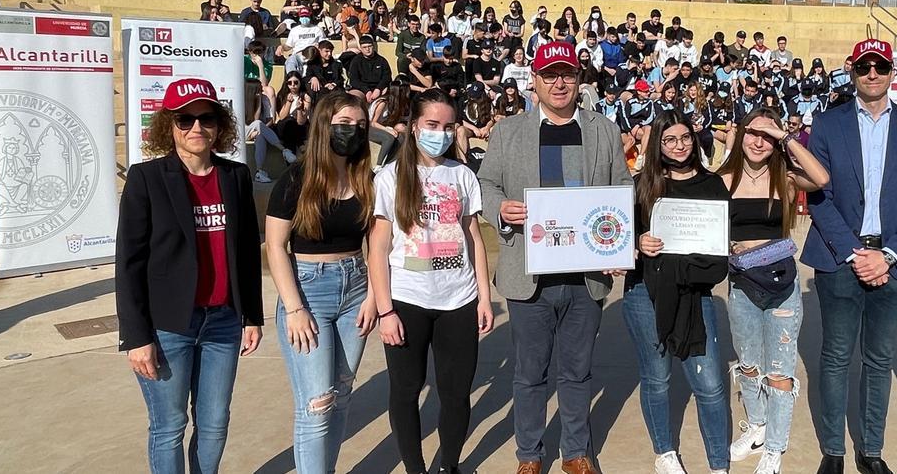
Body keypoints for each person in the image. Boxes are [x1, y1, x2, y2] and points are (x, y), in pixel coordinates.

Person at [477, 41, 633, 474]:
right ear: (534, 82)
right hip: (530, 274)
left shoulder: (602, 129)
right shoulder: (509, 132)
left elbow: (621, 188)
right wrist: (501, 210)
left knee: (578, 372)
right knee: (529, 374)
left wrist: (617, 246)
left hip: (585, 276)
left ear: (579, 80)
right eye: (550, 75)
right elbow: (486, 184)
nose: (559, 82)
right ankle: (529, 454)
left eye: (567, 74)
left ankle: (575, 452)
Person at [803, 38, 897, 474]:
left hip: (894, 261)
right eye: (865, 67)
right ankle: (833, 451)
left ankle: (872, 450)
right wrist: (854, 252)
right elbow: (818, 196)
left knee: (879, 359)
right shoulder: (827, 124)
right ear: (852, 71)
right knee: (837, 356)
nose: (873, 74)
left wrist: (890, 255)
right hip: (840, 257)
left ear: (892, 72)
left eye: (880, 66)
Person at [115, 78, 263, 473]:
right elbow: (128, 263)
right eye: (185, 120)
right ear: (169, 125)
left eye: (206, 118)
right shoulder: (146, 178)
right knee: (169, 427)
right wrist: (136, 336)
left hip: (223, 323)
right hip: (167, 328)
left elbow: (247, 251)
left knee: (214, 425)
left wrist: (252, 315)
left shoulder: (235, 176)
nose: (197, 128)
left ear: (220, 125)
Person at [370, 88, 494, 474]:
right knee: (406, 392)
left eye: (447, 126)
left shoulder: (462, 175)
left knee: (456, 395)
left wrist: (485, 299)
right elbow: (377, 249)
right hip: (406, 301)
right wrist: (385, 309)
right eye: (431, 124)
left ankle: (450, 465)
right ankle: (415, 468)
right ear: (412, 126)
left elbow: (473, 238)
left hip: (459, 299)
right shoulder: (390, 177)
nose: (439, 133)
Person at [265, 92, 377, 474]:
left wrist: (375, 295)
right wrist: (294, 309)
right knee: (317, 403)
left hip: (356, 289)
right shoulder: (295, 179)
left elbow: (379, 246)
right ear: (324, 125)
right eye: (345, 124)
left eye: (361, 126)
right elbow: (276, 247)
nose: (353, 132)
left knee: (342, 395)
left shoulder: (367, 179)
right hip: (308, 290)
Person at [719, 107, 830, 474]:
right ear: (741, 134)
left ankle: (775, 447)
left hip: (781, 284)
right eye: (753, 132)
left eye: (767, 136)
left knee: (780, 370)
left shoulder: (785, 178)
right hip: (741, 284)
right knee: (748, 365)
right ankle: (757, 426)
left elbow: (822, 177)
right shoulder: (725, 179)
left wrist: (785, 138)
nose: (758, 141)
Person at [627, 110, 732, 474]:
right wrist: (637, 242)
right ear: (658, 143)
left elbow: (719, 256)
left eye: (685, 138)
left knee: (711, 384)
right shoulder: (641, 185)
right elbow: (617, 239)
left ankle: (719, 463)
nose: (679, 146)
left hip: (695, 294)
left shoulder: (713, 186)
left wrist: (684, 266)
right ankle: (664, 451)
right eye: (669, 139)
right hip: (645, 291)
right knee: (656, 378)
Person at [348, 35, 393, 104]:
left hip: (378, 88)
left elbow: (387, 77)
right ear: (361, 48)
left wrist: (378, 89)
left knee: (383, 100)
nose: (367, 49)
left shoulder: (382, 60)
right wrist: (367, 91)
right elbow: (354, 80)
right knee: (353, 98)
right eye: (364, 47)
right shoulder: (356, 61)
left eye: (369, 46)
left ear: (373, 46)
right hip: (361, 89)